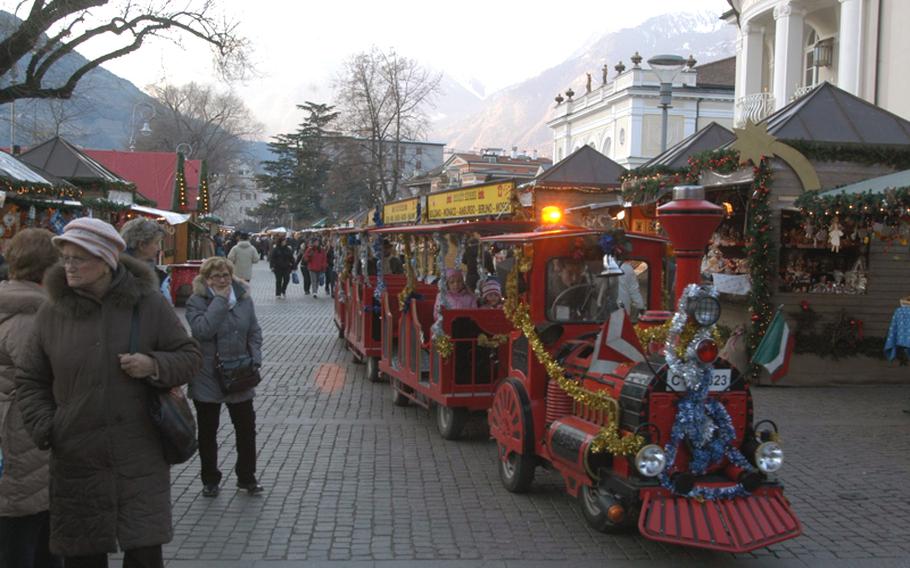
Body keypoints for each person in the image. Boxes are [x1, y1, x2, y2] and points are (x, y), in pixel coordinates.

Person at [15, 218, 202, 568]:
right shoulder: (52, 311)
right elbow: (30, 379)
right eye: (65, 258)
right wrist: (49, 426)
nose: (68, 266)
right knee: (83, 556)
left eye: (78, 258)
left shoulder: (147, 304)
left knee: (144, 553)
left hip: (139, 455)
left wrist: (154, 365)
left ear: (105, 261)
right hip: (77, 459)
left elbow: (190, 356)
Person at [0, 229, 62, 568]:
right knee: (25, 534)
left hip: (15, 432)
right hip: (22, 434)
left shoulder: (11, 302)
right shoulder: (29, 316)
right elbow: (41, 377)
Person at [185, 257, 264, 498]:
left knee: (246, 429)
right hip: (208, 374)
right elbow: (203, 331)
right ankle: (210, 479)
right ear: (205, 279)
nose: (221, 280)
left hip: (240, 372)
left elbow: (254, 331)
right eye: (215, 276)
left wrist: (255, 357)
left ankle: (246, 477)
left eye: (225, 275)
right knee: (208, 431)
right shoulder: (196, 301)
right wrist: (219, 299)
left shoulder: (243, 299)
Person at [120, 217, 171, 301]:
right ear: (142, 245)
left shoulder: (116, 270)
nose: (159, 248)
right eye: (156, 243)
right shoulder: (122, 276)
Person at [615, 247, 645, 321]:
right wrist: (641, 307)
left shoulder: (603, 266)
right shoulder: (627, 269)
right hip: (622, 309)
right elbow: (634, 291)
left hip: (602, 312)